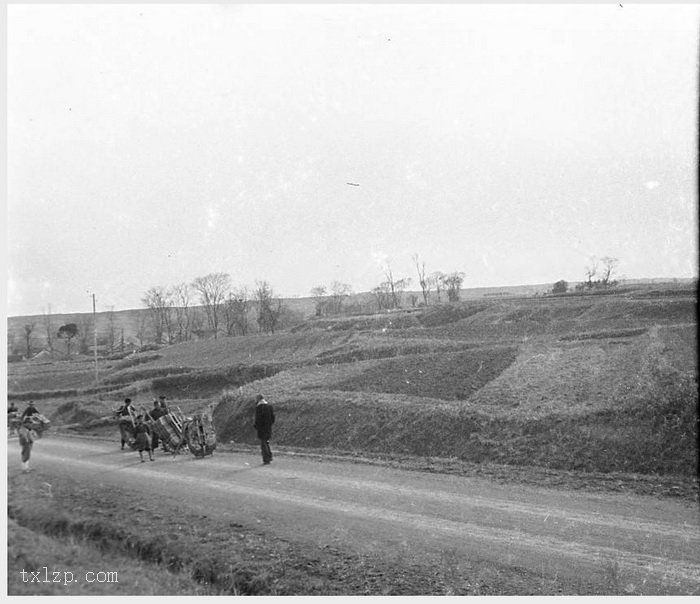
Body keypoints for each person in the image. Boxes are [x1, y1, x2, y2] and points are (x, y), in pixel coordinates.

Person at [253, 394, 275, 465]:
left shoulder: (259, 407)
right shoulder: (269, 406)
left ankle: (266, 458)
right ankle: (269, 455)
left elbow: (258, 419)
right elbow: (273, 417)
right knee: (267, 442)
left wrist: (256, 426)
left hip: (262, 428)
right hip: (268, 427)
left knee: (263, 443)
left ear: (258, 399)